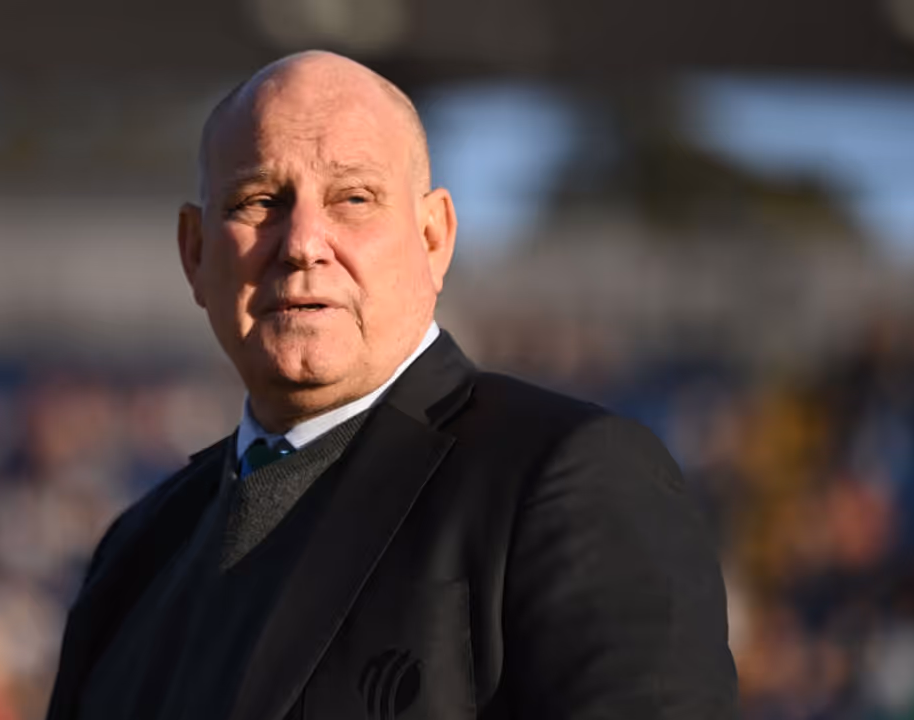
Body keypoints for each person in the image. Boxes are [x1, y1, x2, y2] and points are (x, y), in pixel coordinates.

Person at [46, 50, 737, 720]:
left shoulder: (566, 480)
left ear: (434, 237)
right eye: (260, 200)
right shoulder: (135, 553)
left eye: (353, 198)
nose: (303, 243)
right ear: (195, 253)